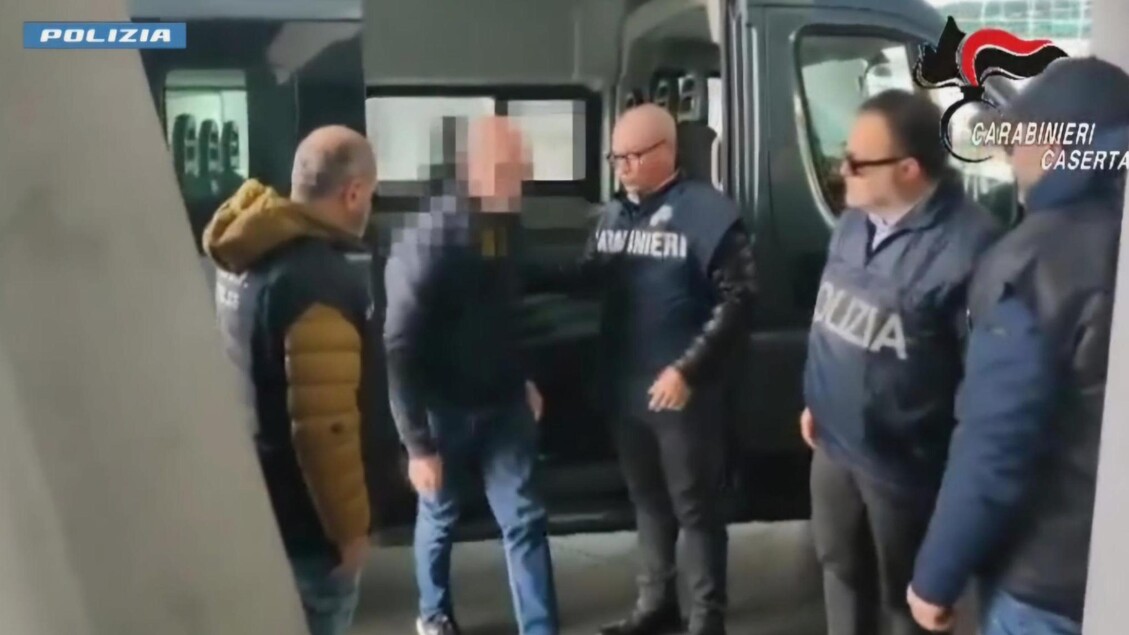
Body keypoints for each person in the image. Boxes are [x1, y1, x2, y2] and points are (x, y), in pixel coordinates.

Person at [907, 57, 1129, 635]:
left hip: (1044, 585)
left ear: (1058, 147)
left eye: (1020, 138)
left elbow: (996, 441)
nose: (1010, 155)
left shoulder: (1033, 262)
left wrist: (936, 576)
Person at [532, 103, 757, 635]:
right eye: (617, 157)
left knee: (695, 509)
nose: (623, 167)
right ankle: (656, 604)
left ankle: (707, 618)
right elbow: (587, 276)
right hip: (627, 387)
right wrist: (516, 269)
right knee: (647, 501)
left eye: (634, 156)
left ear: (667, 151)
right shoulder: (614, 216)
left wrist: (689, 370)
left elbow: (740, 298)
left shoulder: (707, 213)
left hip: (682, 391)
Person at [799, 90, 1001, 635]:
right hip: (834, 447)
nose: (842, 171)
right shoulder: (854, 222)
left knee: (904, 602)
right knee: (839, 570)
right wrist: (816, 400)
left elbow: (985, 385)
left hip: (904, 470)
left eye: (857, 163)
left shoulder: (971, 249)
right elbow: (833, 318)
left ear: (909, 169)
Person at [384, 115, 559, 635]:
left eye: (523, 169)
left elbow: (505, 309)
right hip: (444, 409)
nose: (520, 180)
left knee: (524, 518)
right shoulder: (429, 240)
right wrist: (417, 445)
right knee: (440, 517)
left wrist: (523, 377)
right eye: (509, 169)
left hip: (503, 403)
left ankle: (540, 628)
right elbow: (399, 346)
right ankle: (433, 615)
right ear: (473, 168)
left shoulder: (503, 226)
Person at [202, 125, 377, 635]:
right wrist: (348, 531)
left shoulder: (249, 255)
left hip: (258, 500)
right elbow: (325, 428)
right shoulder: (318, 279)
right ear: (353, 193)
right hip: (307, 530)